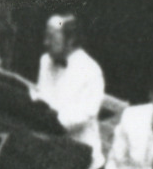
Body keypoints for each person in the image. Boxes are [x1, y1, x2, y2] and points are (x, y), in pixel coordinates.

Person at [30, 12, 107, 155]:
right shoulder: (45, 60)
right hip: (50, 147)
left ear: (70, 40)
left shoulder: (91, 70)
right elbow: (42, 95)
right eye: (46, 36)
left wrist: (50, 120)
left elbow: (84, 115)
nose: (45, 42)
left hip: (79, 152)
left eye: (52, 37)